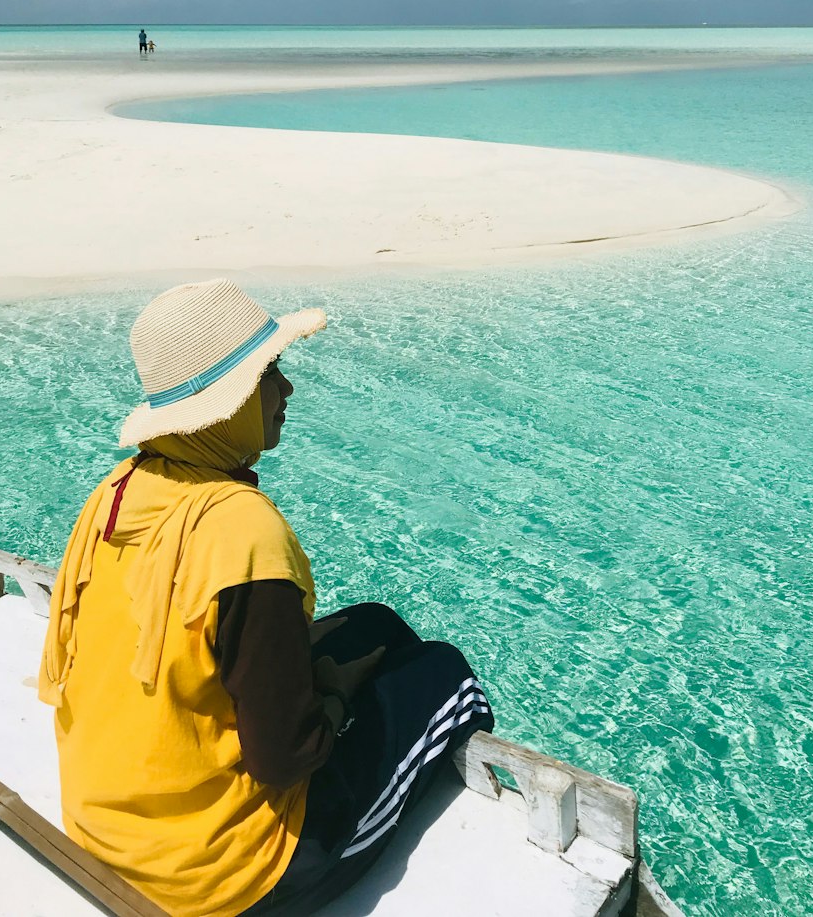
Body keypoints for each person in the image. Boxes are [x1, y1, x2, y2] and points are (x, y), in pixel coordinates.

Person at [40, 278, 493, 916]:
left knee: (376, 624)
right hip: (218, 875)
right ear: (226, 404)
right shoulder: (242, 532)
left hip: (100, 831)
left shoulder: (121, 491)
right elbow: (284, 761)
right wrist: (333, 695)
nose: (286, 390)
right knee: (447, 676)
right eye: (270, 372)